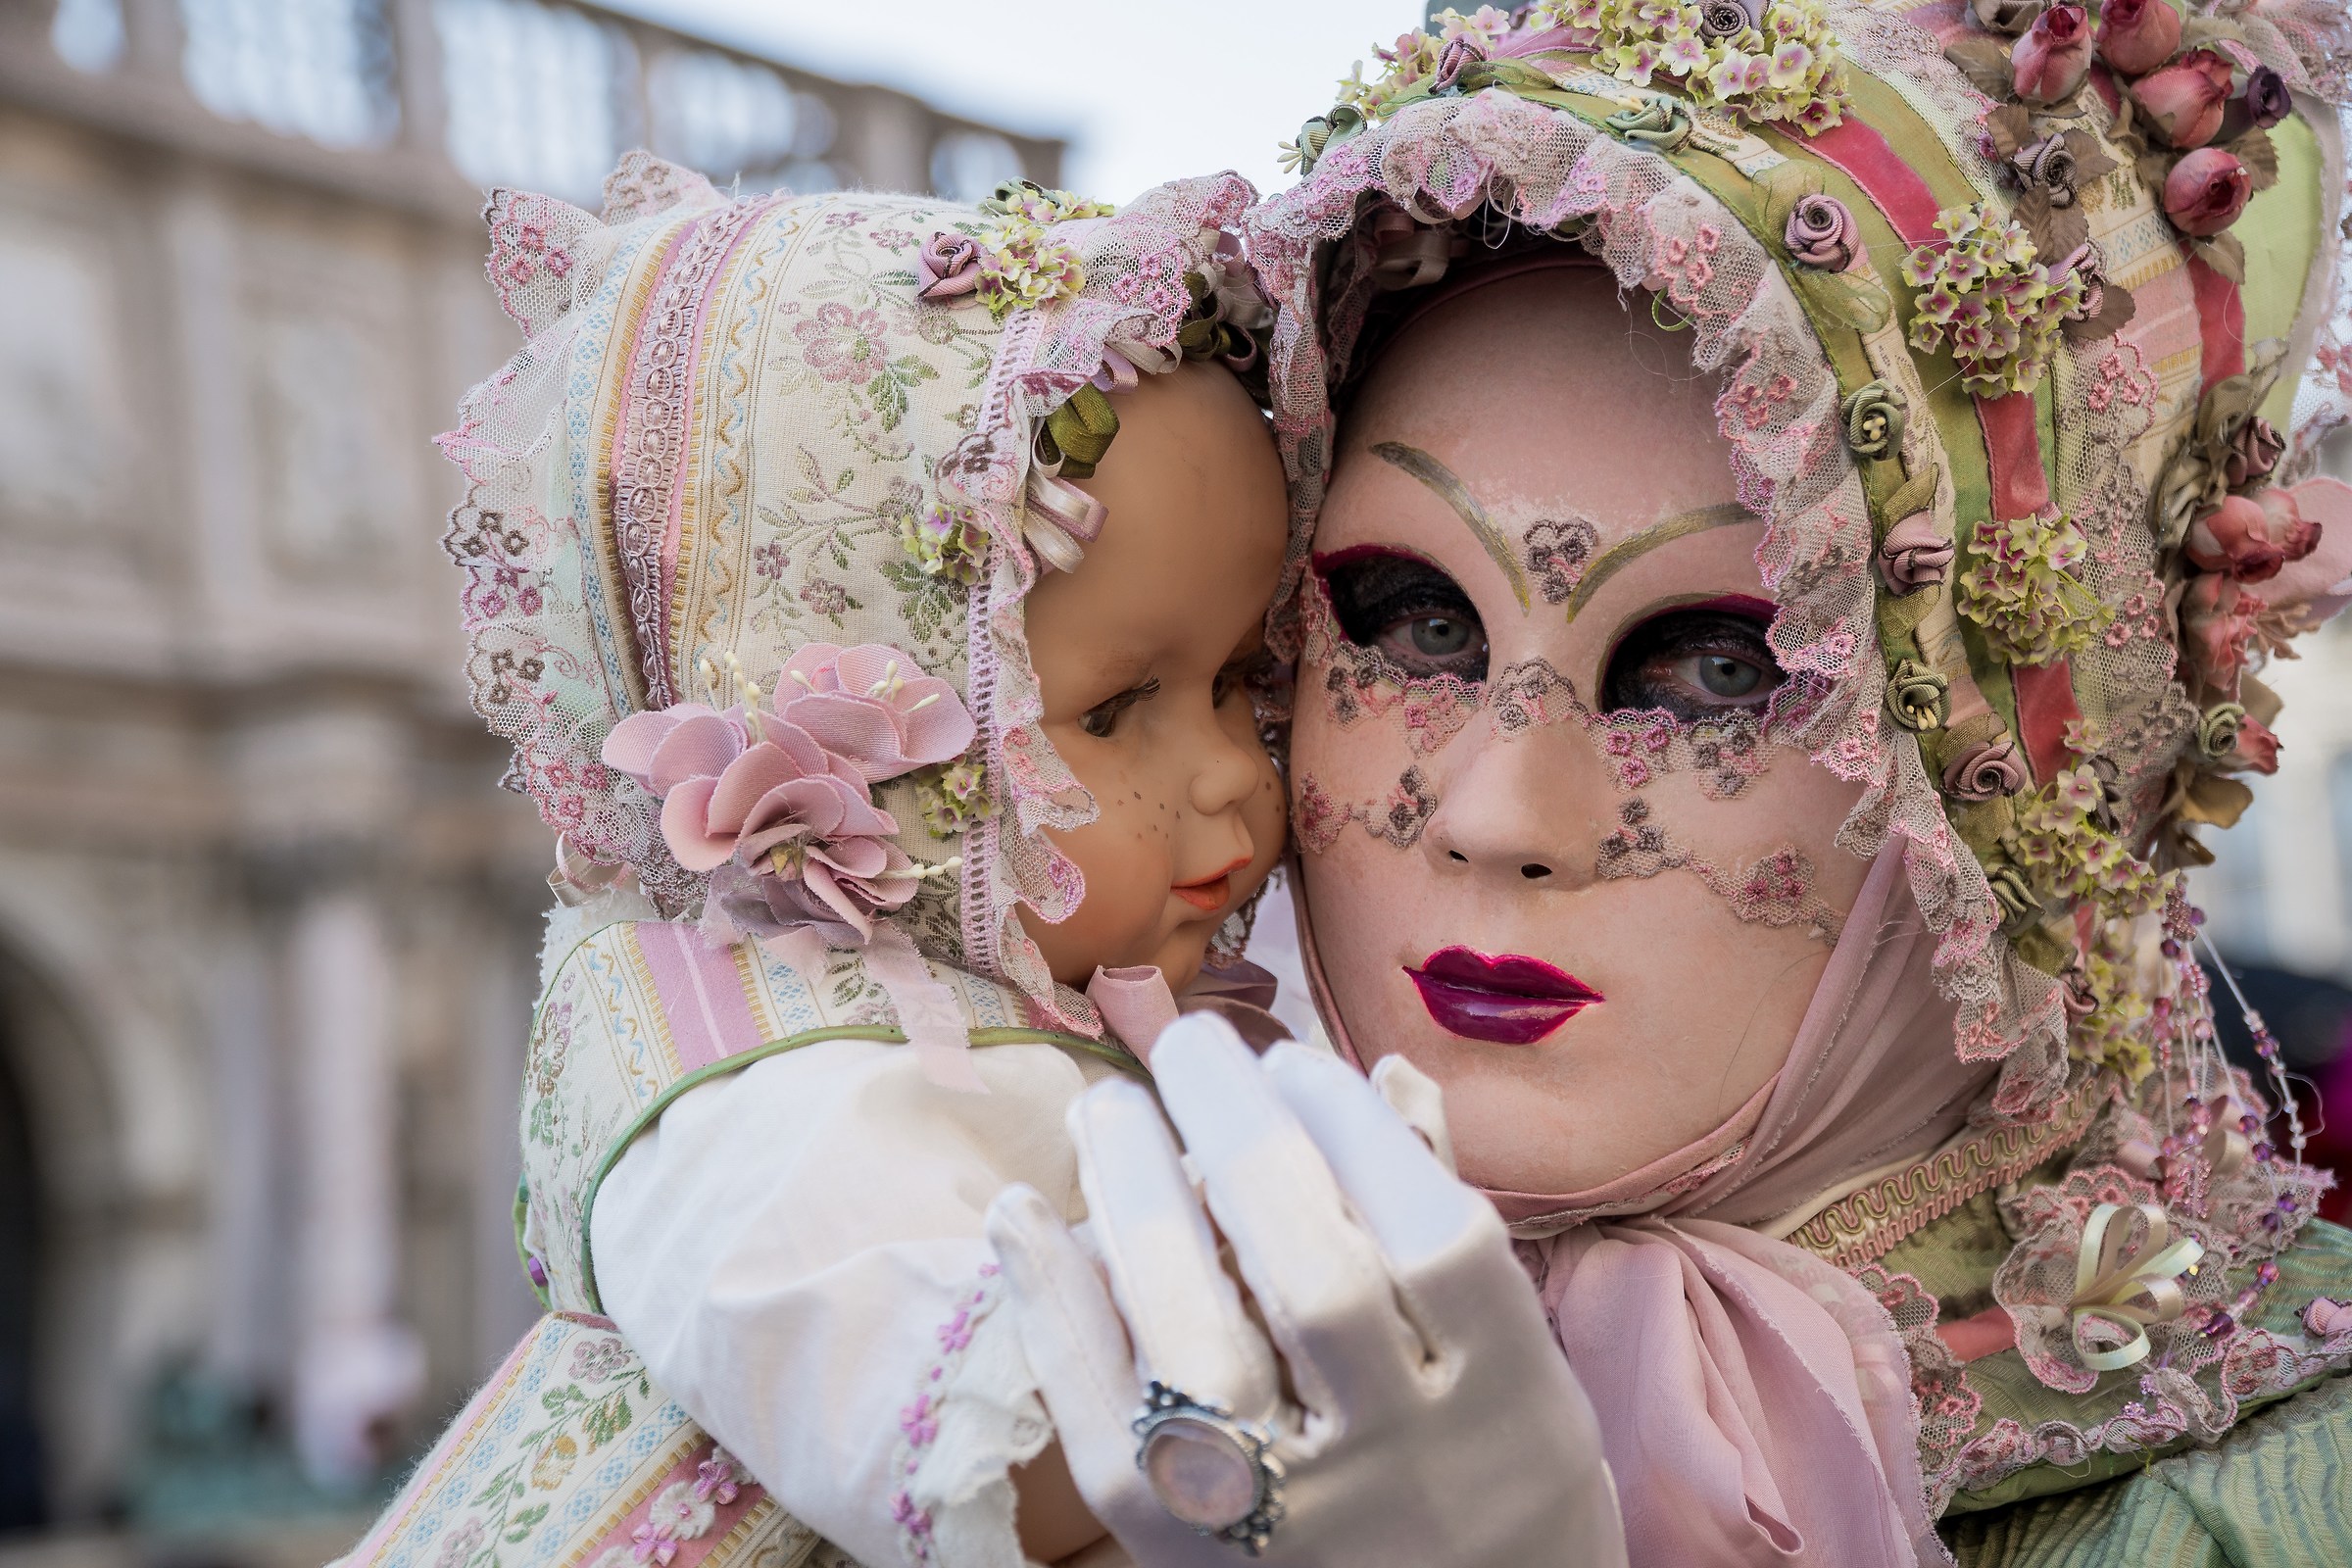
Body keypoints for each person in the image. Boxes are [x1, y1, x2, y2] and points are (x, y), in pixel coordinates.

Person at [988, 2, 2352, 1564]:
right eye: (1415, 625)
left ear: (2030, 772)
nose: (1499, 817)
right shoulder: (1000, 1343)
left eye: (1721, 667)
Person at [337, 156, 1316, 1568]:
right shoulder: (765, 1075)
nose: (1231, 771)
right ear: (867, 722)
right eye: (1113, 711)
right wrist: (1282, 1274)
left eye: (1240, 684)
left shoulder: (979, 1014)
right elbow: (985, 1445)